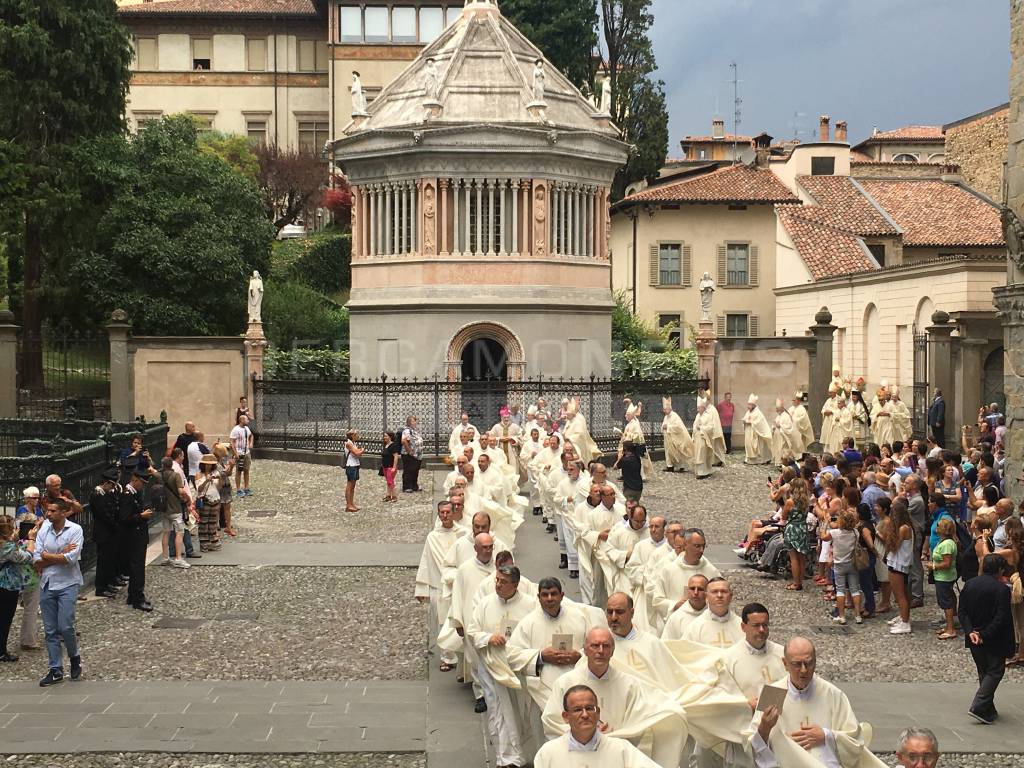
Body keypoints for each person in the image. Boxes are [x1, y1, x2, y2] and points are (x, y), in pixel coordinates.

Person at [542, 627, 687, 768]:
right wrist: (586, 733)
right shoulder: (565, 682)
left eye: (605, 646)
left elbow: (636, 723)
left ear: (612, 651)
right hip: (575, 756)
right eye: (594, 646)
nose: (600, 651)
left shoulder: (629, 684)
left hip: (615, 757)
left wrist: (610, 738)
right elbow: (551, 721)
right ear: (585, 650)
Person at [752, 636, 885, 768]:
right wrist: (764, 727)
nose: (804, 670)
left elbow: (855, 742)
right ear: (785, 664)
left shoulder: (832, 694)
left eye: (809, 663)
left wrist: (827, 736)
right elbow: (752, 744)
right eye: (797, 664)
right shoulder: (773, 693)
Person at [533, 684, 660, 767]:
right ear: (566, 717)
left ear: (598, 713)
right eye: (577, 710)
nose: (585, 715)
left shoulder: (621, 749)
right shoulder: (548, 753)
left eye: (589, 708)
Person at [32, 498, 85, 686]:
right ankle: (55, 668)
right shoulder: (44, 529)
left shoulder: (75, 530)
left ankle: (74, 656)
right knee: (50, 629)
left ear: (63, 512)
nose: (49, 514)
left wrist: (49, 556)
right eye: (48, 511)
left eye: (53, 511)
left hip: (67, 583)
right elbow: (37, 559)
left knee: (66, 626)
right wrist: (59, 554)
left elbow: (71, 559)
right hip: (47, 583)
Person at [958, 554, 1015, 724]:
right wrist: (984, 634)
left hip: (974, 635)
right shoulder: (1001, 589)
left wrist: (971, 632)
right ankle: (980, 704)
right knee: (995, 671)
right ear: (999, 570)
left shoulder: (970, 584)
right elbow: (1001, 617)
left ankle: (987, 708)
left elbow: (962, 612)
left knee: (984, 670)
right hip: (993, 637)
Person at [722, 603, 786, 706]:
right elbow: (723, 694)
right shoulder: (729, 658)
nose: (761, 630)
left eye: (765, 625)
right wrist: (745, 705)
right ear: (743, 627)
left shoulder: (782, 653)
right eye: (756, 625)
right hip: (746, 717)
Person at [651, 528, 720, 623]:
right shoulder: (668, 570)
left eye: (703, 546)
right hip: (677, 623)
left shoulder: (711, 571)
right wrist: (675, 605)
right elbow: (657, 600)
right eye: (697, 546)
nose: (701, 550)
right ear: (685, 545)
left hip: (704, 622)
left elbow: (720, 598)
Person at [119, 470, 155, 612]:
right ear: (135, 479)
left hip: (138, 535)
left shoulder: (134, 493)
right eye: (142, 483)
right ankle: (137, 598)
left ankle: (133, 595)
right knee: (137, 568)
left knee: (138, 567)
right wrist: (142, 516)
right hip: (133, 536)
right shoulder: (127, 495)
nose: (143, 486)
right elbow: (124, 518)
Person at [819, 509, 863, 625]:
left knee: (840, 590)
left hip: (839, 564)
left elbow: (823, 537)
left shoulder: (835, 533)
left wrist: (826, 523)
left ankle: (842, 616)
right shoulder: (855, 533)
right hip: (852, 563)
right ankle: (858, 615)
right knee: (855, 589)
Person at [0, 515, 32, 662]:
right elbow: (26, 557)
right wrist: (31, 539)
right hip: (7, 586)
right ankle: (1, 651)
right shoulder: (7, 547)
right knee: (5, 619)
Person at [681, 576, 744, 649]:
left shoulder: (742, 626)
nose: (719, 595)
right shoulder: (695, 627)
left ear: (730, 596)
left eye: (723, 591)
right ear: (706, 596)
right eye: (714, 592)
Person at [89, 469, 122, 596]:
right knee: (103, 561)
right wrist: (114, 523)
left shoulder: (104, 494)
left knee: (109, 560)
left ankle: (108, 583)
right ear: (107, 483)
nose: (113, 488)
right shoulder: (97, 495)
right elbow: (104, 514)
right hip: (103, 533)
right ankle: (101, 587)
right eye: (112, 485)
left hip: (109, 532)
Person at [884, 500, 914, 635]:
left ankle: (905, 622)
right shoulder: (906, 526)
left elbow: (893, 546)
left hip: (899, 563)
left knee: (900, 594)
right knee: (901, 593)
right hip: (898, 562)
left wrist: (887, 532)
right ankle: (903, 616)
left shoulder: (903, 528)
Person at [928, 517, 958, 640]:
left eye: (939, 526)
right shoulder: (945, 541)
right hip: (944, 577)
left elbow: (947, 563)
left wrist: (933, 566)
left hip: (944, 577)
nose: (936, 528)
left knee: (946, 602)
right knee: (948, 599)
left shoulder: (946, 545)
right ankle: (948, 625)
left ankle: (950, 629)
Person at [159, 458, 190, 570]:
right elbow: (181, 491)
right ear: (171, 465)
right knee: (179, 532)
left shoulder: (159, 475)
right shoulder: (176, 475)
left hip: (164, 509)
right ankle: (178, 558)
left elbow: (151, 469)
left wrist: (148, 459)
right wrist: (187, 498)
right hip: (175, 509)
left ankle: (165, 557)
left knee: (166, 532)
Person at [660, 573, 708, 641]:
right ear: (687, 591)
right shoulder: (676, 617)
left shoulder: (712, 615)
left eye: (700, 589)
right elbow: (666, 644)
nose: (696, 592)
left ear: (707, 592)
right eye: (692, 588)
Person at [195, 454, 224, 552]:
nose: (208, 466)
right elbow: (199, 489)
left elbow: (219, 488)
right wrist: (206, 481)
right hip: (205, 500)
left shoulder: (215, 473)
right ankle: (204, 543)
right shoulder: (199, 474)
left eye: (210, 464)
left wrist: (220, 480)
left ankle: (212, 542)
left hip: (215, 499)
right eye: (206, 464)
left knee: (212, 522)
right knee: (203, 523)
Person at [661, 396, 694, 472]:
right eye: (664, 409)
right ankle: (670, 466)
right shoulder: (666, 417)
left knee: (678, 452)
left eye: (665, 409)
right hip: (668, 438)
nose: (664, 411)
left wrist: (668, 427)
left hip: (675, 438)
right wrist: (663, 427)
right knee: (668, 452)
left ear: (669, 408)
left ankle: (681, 466)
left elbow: (678, 427)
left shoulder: (675, 416)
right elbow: (663, 425)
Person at [743, 395, 773, 465]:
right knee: (749, 445)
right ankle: (749, 459)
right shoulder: (748, 412)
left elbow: (759, 423)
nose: (748, 406)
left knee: (759, 447)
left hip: (756, 433)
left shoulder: (758, 413)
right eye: (748, 404)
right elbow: (745, 418)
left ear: (754, 405)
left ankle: (762, 460)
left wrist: (750, 422)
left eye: (750, 405)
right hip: (749, 432)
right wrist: (744, 421)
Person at [230, 414, 254, 497]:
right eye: (246, 419)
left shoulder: (247, 428)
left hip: (246, 453)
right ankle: (238, 489)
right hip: (239, 454)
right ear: (242, 420)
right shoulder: (235, 430)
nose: (248, 421)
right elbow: (232, 442)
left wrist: (251, 443)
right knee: (239, 471)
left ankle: (246, 488)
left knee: (246, 470)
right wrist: (235, 453)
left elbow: (251, 436)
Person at [401, 415, 424, 493]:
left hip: (416, 455)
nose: (415, 422)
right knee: (408, 470)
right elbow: (404, 441)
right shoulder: (407, 431)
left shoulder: (413, 430)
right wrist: (409, 451)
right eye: (414, 421)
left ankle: (414, 485)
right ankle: (407, 486)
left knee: (415, 470)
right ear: (409, 422)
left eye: (415, 421)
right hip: (409, 455)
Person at [343, 429, 364, 513]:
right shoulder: (348, 443)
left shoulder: (353, 443)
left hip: (355, 464)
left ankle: (351, 503)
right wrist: (361, 450)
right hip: (350, 465)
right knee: (349, 486)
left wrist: (359, 451)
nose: (358, 436)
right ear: (352, 436)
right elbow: (357, 453)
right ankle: (348, 505)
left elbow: (358, 453)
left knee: (353, 486)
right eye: (356, 435)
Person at [381, 430, 401, 503]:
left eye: (386, 436)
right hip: (385, 466)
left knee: (390, 481)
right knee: (388, 481)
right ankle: (388, 495)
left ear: (390, 437)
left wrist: (394, 467)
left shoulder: (393, 445)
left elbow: (396, 456)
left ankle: (394, 496)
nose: (384, 437)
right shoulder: (386, 445)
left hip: (390, 466)